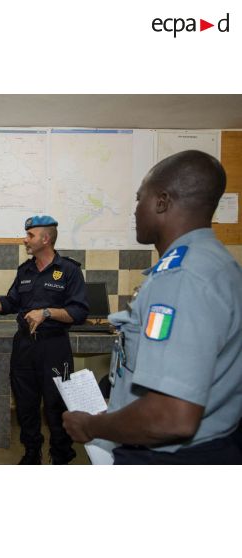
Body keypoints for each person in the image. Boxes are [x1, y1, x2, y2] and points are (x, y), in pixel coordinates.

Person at [63, 150, 242, 464]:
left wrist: (92, 425)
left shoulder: (180, 278)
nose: (134, 211)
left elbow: (171, 416)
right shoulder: (218, 263)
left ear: (161, 202)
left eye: (138, 199)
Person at [0, 216, 89, 465]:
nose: (25, 239)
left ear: (46, 238)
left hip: (54, 346)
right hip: (25, 346)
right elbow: (13, 302)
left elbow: (79, 311)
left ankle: (61, 454)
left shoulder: (70, 270)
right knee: (26, 405)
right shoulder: (25, 270)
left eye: (30, 235)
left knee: (56, 405)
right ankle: (32, 453)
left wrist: (47, 312)